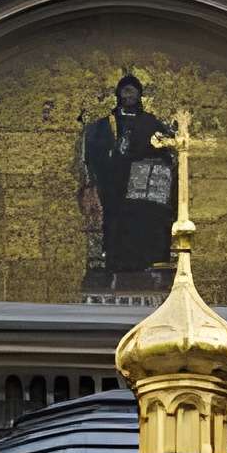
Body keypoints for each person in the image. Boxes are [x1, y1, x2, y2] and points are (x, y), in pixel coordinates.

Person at [79, 74, 175, 296]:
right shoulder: (105, 124)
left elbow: (166, 152)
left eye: (133, 91)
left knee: (142, 227)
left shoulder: (151, 122)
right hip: (113, 186)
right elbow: (95, 151)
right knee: (114, 226)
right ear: (118, 95)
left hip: (141, 192)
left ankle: (142, 267)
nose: (129, 95)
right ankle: (114, 265)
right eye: (125, 91)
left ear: (140, 95)